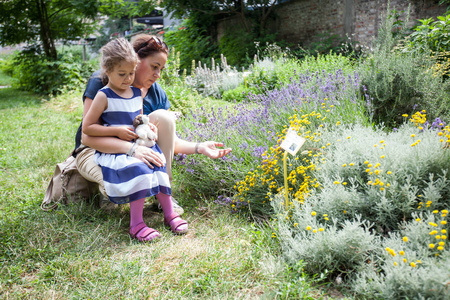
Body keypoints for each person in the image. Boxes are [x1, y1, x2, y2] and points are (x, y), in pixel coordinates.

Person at [73, 34, 231, 215]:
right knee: (116, 188)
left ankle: (163, 192)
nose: (158, 75)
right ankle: (109, 192)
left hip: (132, 148)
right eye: (154, 67)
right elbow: (87, 136)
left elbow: (166, 140)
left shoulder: (155, 93)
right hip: (93, 150)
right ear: (136, 60)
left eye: (161, 69)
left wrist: (199, 147)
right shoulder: (102, 82)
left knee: (163, 117)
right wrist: (132, 150)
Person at [82, 38, 188, 242]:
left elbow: (138, 120)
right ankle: (136, 224)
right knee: (139, 169)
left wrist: (148, 128)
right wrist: (117, 131)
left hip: (135, 143)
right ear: (107, 70)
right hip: (114, 149)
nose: (128, 79)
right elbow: (88, 128)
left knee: (158, 164)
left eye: (131, 73)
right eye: (122, 74)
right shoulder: (103, 95)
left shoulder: (136, 92)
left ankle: (169, 214)